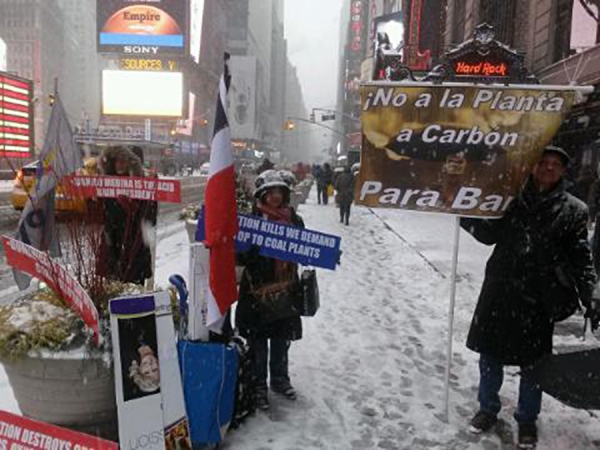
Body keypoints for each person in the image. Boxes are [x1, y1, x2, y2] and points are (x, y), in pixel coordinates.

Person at [461, 146, 598, 449]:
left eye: (555, 164)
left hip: (538, 299)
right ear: (533, 166)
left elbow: (580, 258)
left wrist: (591, 295)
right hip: (500, 291)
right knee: (490, 357)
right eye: (543, 162)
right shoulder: (509, 198)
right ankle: (487, 409)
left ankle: (527, 420)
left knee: (534, 365)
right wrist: (465, 212)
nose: (548, 168)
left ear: (564, 171)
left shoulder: (574, 210)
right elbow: (488, 234)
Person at [235, 170, 304, 411]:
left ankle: (279, 380)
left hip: (284, 290)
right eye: (270, 192)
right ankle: (258, 386)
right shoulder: (250, 221)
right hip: (257, 291)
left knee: (280, 338)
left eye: (279, 192)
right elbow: (239, 255)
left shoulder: (294, 219)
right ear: (262, 195)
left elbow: (305, 248)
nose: (275, 196)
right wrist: (255, 248)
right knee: (258, 341)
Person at [100, 146, 157, 285]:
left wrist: (134, 208)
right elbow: (100, 216)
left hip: (135, 244)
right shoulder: (105, 184)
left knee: (134, 287)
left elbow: (151, 218)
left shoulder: (143, 185)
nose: (120, 165)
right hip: (112, 243)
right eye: (117, 161)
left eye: (123, 161)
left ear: (131, 164)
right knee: (112, 287)